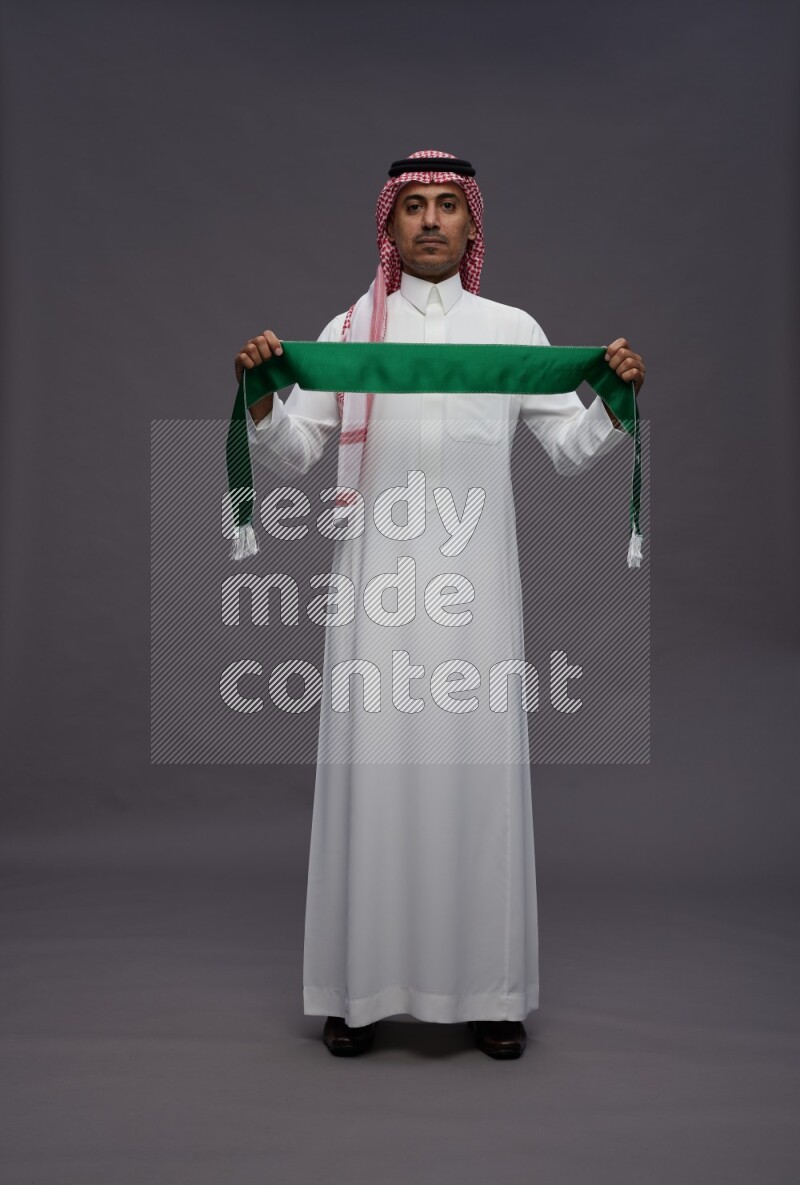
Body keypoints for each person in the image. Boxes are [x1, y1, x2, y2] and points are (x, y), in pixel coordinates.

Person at [234, 150, 646, 1059]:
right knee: (370, 776)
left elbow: (572, 450)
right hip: (373, 590)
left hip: (477, 600)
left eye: (446, 207)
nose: (428, 221)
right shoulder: (349, 331)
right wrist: (264, 399)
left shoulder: (511, 329)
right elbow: (297, 452)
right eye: (412, 207)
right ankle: (356, 987)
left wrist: (615, 392)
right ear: (388, 226)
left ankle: (491, 992)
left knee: (477, 777)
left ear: (471, 226)